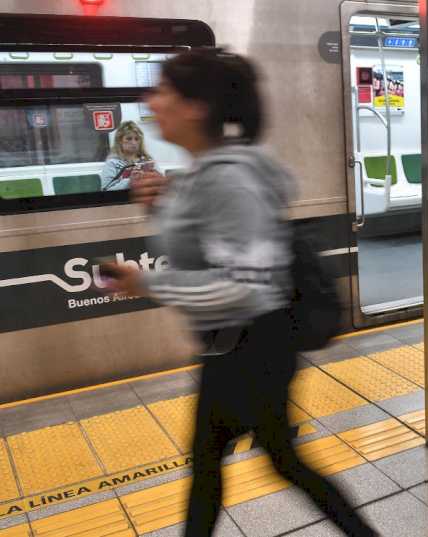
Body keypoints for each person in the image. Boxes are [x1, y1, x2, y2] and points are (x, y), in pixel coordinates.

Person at [100, 50, 376, 537]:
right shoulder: (206, 174)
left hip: (252, 345)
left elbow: (244, 286)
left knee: (235, 462)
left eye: (162, 90)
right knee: (257, 461)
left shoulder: (229, 178)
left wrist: (146, 283)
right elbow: (202, 253)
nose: (151, 101)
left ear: (196, 107)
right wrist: (161, 208)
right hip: (235, 344)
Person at [100, 121, 153, 191]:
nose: (134, 143)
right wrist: (130, 181)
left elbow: (161, 183)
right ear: (119, 141)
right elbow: (106, 190)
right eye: (129, 139)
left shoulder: (147, 160)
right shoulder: (112, 163)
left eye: (137, 139)